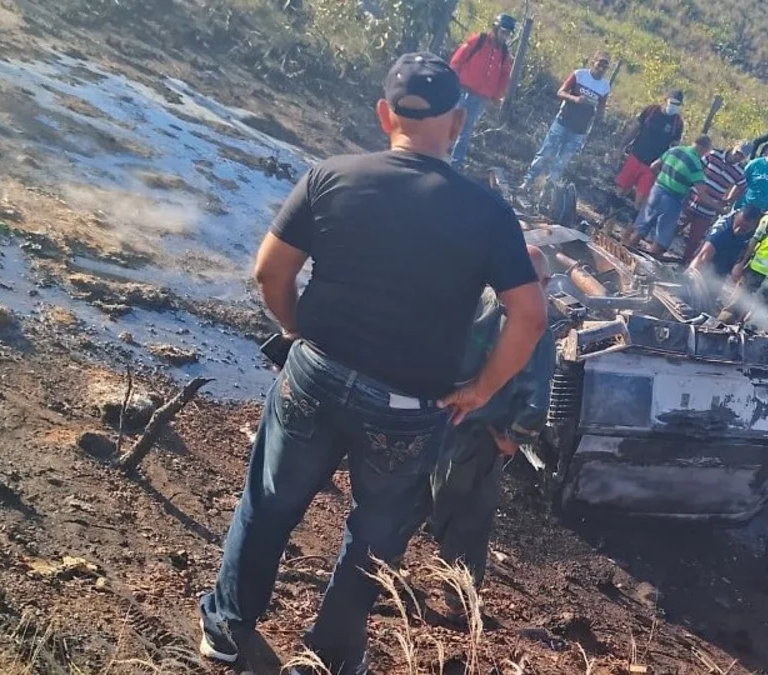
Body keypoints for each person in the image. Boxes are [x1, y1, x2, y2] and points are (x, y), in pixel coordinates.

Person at [197, 53, 548, 675]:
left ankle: (227, 629)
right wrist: (480, 388)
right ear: (458, 122)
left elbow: (269, 270)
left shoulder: (332, 175)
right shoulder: (488, 213)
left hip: (315, 373)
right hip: (409, 407)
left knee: (270, 504)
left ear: (385, 114)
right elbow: (530, 316)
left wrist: (294, 327)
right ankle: (328, 656)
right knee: (374, 537)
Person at [432, 248, 555, 589]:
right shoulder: (535, 329)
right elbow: (537, 397)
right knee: (470, 516)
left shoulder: (478, 298)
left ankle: (385, 566)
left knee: (421, 492)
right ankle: (457, 595)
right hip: (482, 433)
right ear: (546, 283)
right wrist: (514, 437)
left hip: (440, 417)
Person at [519, 51, 612, 193]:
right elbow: (560, 92)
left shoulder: (605, 87)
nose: (601, 68)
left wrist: (601, 115)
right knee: (546, 152)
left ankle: (546, 191)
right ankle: (528, 181)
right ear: (594, 62)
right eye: (600, 64)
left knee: (561, 162)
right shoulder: (579, 75)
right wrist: (575, 99)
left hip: (580, 129)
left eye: (605, 67)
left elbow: (601, 109)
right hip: (563, 120)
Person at [623, 135, 712, 255]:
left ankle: (625, 253)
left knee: (641, 228)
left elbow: (654, 166)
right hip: (672, 200)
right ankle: (649, 263)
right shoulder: (695, 164)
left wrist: (660, 179)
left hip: (656, 191)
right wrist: (719, 209)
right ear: (704, 148)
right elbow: (702, 193)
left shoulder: (675, 150)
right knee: (661, 237)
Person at [448, 14, 516, 166]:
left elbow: (504, 77)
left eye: (508, 34)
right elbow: (459, 57)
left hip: (479, 97)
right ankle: (436, 154)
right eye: (503, 32)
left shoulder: (504, 54)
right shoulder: (479, 40)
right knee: (450, 123)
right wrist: (452, 77)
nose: (505, 37)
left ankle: (455, 165)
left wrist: (496, 96)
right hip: (461, 89)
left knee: (465, 132)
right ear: (496, 28)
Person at [679, 140, 752, 262]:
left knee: (695, 239)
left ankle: (683, 264)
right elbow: (698, 167)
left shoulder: (739, 171)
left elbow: (742, 187)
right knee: (675, 225)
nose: (737, 157)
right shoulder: (713, 155)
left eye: (741, 156)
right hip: (692, 199)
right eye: (737, 153)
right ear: (734, 146)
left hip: (709, 208)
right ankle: (657, 252)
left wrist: (728, 200)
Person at [615, 90, 685, 208]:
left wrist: (665, 167)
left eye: (677, 104)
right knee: (620, 191)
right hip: (635, 157)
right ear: (665, 100)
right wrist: (621, 147)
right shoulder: (651, 111)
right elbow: (634, 129)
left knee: (640, 202)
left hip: (652, 167)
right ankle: (609, 225)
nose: (674, 106)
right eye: (672, 102)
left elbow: (674, 148)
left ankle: (630, 225)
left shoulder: (677, 123)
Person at [688, 205, 764, 278]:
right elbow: (702, 256)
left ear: (755, 226)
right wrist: (690, 276)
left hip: (729, 258)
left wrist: (741, 263)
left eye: (744, 229)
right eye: (737, 225)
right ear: (735, 216)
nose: (737, 230)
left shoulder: (757, 229)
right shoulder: (721, 231)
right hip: (713, 253)